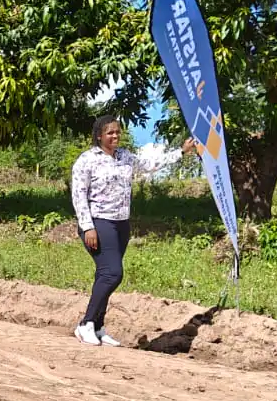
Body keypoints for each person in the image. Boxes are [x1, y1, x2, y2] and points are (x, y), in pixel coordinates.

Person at [70, 116, 200, 347]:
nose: (115, 136)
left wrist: (181, 152)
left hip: (121, 223)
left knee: (105, 274)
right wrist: (87, 226)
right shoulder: (87, 160)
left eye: (118, 132)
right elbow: (79, 194)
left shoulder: (125, 157)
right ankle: (85, 323)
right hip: (99, 222)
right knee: (113, 273)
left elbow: (151, 164)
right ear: (99, 135)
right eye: (110, 133)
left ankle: (98, 327)